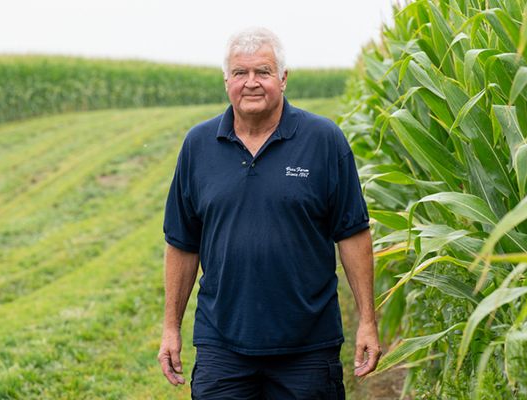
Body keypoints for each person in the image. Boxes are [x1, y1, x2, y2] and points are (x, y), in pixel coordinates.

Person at [158, 27, 381, 399]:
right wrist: (170, 327)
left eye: (263, 72)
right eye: (240, 73)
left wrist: (368, 323)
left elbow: (353, 233)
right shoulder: (198, 145)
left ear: (283, 78)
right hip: (222, 344)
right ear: (226, 79)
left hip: (308, 347)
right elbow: (182, 242)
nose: (251, 83)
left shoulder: (323, 140)